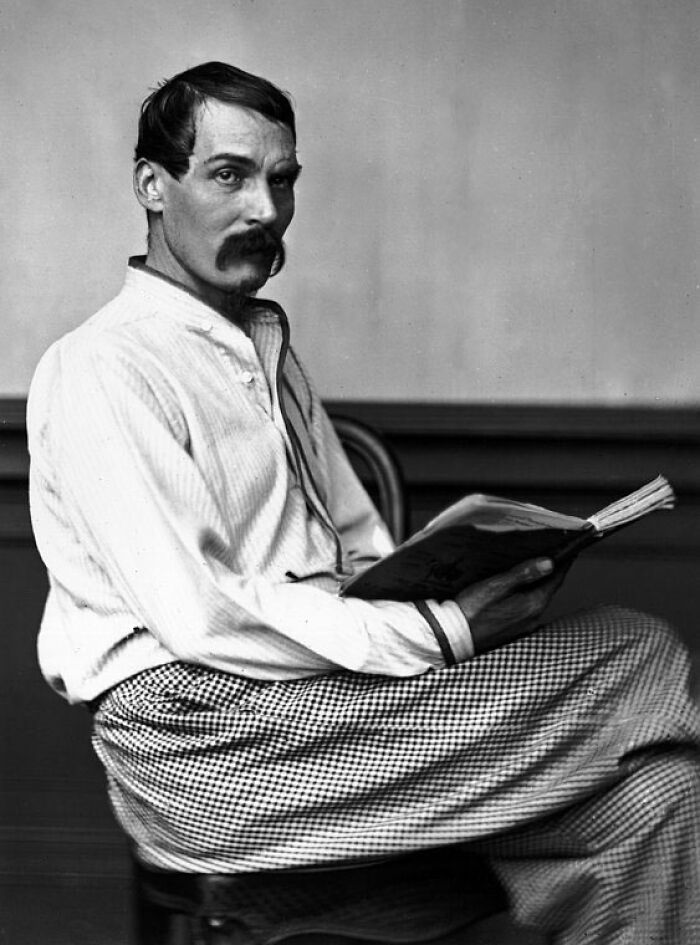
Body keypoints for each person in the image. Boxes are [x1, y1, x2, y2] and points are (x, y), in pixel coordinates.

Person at [26, 61, 700, 944]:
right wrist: (444, 632)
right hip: (202, 745)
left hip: (329, 714)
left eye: (281, 180)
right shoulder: (100, 368)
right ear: (152, 184)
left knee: (661, 797)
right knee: (638, 652)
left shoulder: (270, 352)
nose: (264, 210)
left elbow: (355, 551)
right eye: (228, 175)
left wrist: (451, 575)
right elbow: (204, 616)